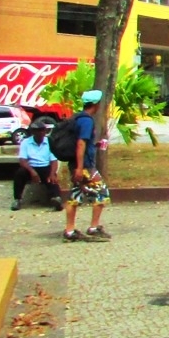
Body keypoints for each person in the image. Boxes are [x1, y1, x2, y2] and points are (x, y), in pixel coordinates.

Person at [63, 90, 110, 242]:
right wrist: (80, 167)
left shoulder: (77, 118)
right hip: (85, 166)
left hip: (77, 164)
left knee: (75, 195)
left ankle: (70, 231)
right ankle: (93, 228)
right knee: (101, 193)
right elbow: (81, 143)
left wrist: (95, 145)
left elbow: (83, 142)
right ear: (95, 104)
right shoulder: (86, 121)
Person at [11, 118, 63, 212]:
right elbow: (22, 160)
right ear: (33, 132)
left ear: (45, 131)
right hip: (31, 167)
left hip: (45, 166)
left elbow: (53, 160)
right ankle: (17, 199)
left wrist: (52, 173)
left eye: (42, 130)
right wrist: (32, 172)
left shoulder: (49, 142)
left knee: (51, 178)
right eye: (37, 131)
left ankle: (56, 199)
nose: (40, 133)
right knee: (19, 173)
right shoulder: (26, 142)